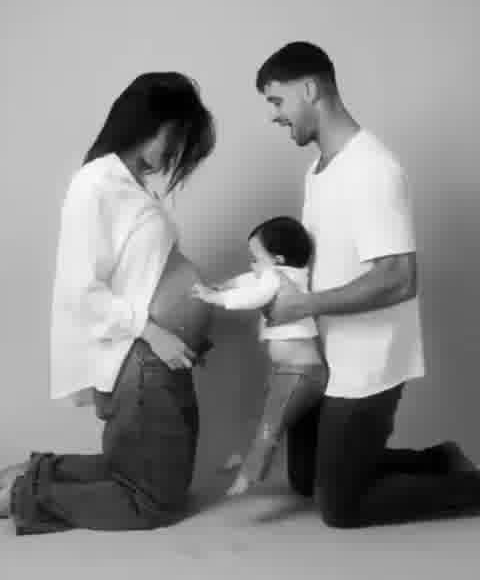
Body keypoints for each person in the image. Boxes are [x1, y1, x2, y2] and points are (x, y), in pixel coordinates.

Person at [255, 41, 480, 528]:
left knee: (341, 507)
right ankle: (439, 460)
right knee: (304, 478)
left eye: (277, 100)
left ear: (309, 89)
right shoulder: (318, 171)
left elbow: (398, 279)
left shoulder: (373, 169)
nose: (274, 115)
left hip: (368, 363)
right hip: (328, 358)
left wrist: (302, 306)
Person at [0, 72, 216, 533]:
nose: (177, 150)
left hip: (159, 358)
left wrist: (189, 327)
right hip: (143, 358)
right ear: (148, 121)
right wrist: (156, 332)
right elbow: (80, 288)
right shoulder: (95, 183)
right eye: (176, 134)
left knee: (144, 477)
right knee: (153, 502)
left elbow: (144, 273)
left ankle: (32, 476)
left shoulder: (128, 184)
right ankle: (19, 495)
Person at [193, 216, 328, 494]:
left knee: (271, 424)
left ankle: (248, 476)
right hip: (289, 370)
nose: (252, 264)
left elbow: (254, 295)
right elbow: (249, 281)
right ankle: (244, 457)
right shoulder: (290, 274)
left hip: (301, 373)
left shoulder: (276, 277)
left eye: (256, 258)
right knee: (262, 416)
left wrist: (215, 297)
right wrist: (224, 285)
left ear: (278, 259)